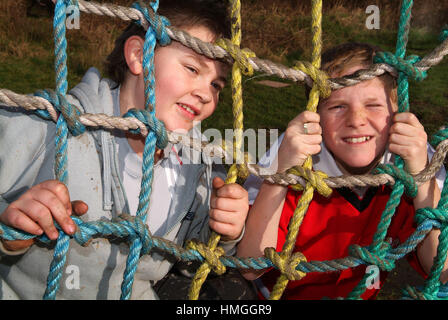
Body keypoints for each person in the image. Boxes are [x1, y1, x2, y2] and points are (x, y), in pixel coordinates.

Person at [0, 0, 250, 299]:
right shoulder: (45, 126)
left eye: (217, 85)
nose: (205, 94)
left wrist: (224, 234)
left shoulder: (200, 168)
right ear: (137, 55)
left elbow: (189, 265)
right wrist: (8, 229)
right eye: (192, 68)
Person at [237, 42, 447, 300]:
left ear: (397, 110)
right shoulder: (292, 151)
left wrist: (420, 176)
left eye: (373, 105)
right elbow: (249, 265)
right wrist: (281, 174)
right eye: (337, 107)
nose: (356, 120)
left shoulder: (412, 154)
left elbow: (442, 268)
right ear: (316, 114)